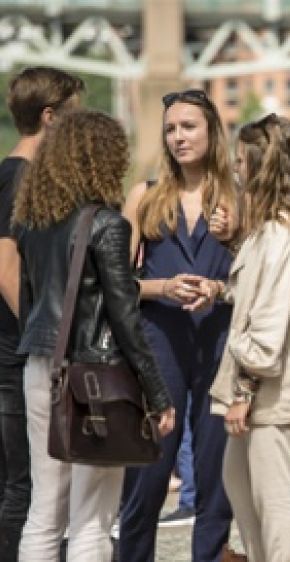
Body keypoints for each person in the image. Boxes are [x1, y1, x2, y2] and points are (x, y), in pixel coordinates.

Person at [13, 109, 176, 561]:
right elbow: (124, 316)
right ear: (103, 159)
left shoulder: (32, 222)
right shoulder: (106, 225)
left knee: (44, 511)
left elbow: (29, 303)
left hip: (39, 366)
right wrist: (157, 393)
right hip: (94, 379)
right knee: (92, 517)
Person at [202, 113, 290, 562]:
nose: (236, 170)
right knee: (239, 483)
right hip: (269, 383)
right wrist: (222, 284)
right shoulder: (285, 227)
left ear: (261, 168)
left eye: (242, 161)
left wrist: (243, 392)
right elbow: (260, 297)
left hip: (268, 389)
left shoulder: (281, 232)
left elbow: (268, 328)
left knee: (275, 495)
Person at [118, 89, 239, 562]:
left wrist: (236, 239)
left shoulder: (239, 198)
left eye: (188, 127)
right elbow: (117, 284)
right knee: (147, 474)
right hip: (158, 346)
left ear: (212, 132)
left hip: (219, 346)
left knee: (215, 480)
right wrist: (163, 287)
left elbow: (261, 280)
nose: (178, 137)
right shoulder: (144, 197)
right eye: (171, 129)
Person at [0, 66, 85, 557]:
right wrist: (45, 341)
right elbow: (7, 267)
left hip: (17, 350)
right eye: (73, 117)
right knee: (23, 487)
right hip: (16, 355)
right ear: (50, 118)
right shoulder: (19, 179)